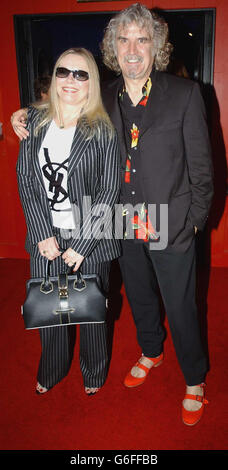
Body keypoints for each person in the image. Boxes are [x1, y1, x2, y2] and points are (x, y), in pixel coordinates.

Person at [11, 4, 213, 425]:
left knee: (180, 306)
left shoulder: (185, 94)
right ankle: (151, 351)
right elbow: (60, 110)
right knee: (139, 297)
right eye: (124, 40)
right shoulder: (101, 96)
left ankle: (194, 378)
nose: (133, 49)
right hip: (118, 221)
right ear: (113, 49)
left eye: (142, 39)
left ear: (156, 46)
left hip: (168, 221)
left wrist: (193, 221)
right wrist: (23, 114)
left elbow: (203, 170)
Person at [15, 47, 121, 396]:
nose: (71, 80)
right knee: (50, 312)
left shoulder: (103, 129)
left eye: (81, 73)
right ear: (54, 77)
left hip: (90, 235)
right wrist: (42, 233)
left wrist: (82, 245)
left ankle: (93, 373)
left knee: (91, 311)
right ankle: (53, 369)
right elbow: (26, 179)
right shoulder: (33, 120)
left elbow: (109, 190)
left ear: (92, 82)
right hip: (45, 234)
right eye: (64, 72)